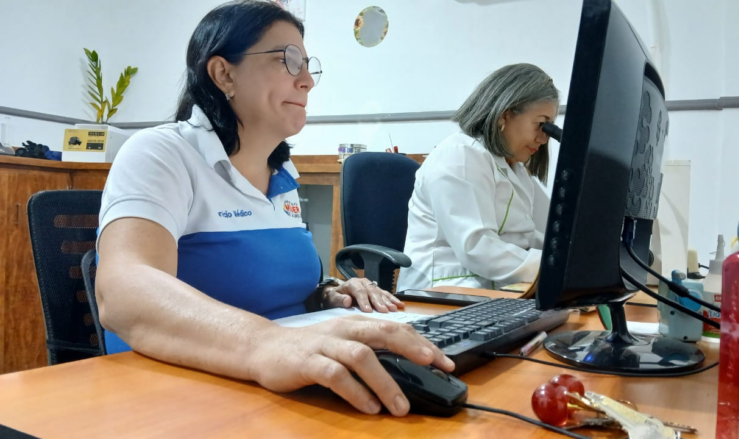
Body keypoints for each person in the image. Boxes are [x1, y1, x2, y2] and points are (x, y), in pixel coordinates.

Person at [96, 0, 453, 418]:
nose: (307, 81)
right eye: (288, 60)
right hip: (176, 397)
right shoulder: (162, 153)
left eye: (308, 66)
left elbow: (270, 288)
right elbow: (121, 291)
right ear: (224, 73)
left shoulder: (281, 173)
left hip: (278, 387)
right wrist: (266, 343)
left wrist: (327, 294)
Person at [397, 64, 558, 291]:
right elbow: (477, 248)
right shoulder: (459, 156)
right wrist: (558, 268)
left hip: (488, 286)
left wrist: (566, 254)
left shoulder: (514, 168)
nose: (543, 139)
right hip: (441, 290)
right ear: (505, 114)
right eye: (541, 124)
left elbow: (523, 236)